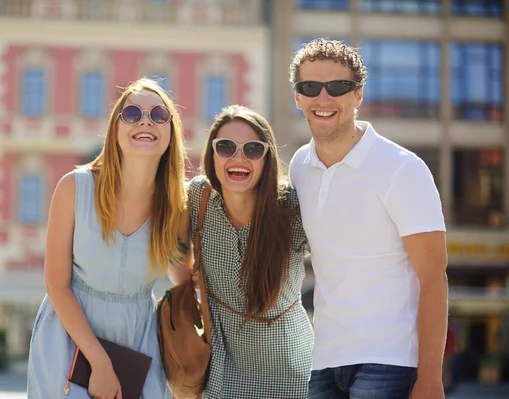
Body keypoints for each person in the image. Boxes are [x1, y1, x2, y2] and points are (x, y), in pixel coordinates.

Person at [288, 38, 448, 399]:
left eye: (338, 87)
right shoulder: (300, 165)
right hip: (324, 360)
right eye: (310, 87)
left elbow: (434, 277)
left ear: (357, 95)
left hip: (390, 359)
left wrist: (431, 378)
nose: (323, 99)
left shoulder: (402, 169)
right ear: (298, 98)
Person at [27, 77, 188, 399]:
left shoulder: (177, 206)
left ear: (171, 133)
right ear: (116, 129)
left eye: (159, 115)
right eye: (131, 114)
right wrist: (99, 362)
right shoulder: (74, 187)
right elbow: (56, 285)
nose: (145, 120)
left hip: (140, 341)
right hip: (68, 336)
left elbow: (185, 282)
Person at [173, 105, 314, 398]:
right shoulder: (198, 196)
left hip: (293, 375)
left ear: (267, 159)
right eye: (225, 147)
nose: (238, 158)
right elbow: (177, 265)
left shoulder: (292, 206)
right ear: (212, 155)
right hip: (222, 377)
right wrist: (195, 279)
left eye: (252, 149)